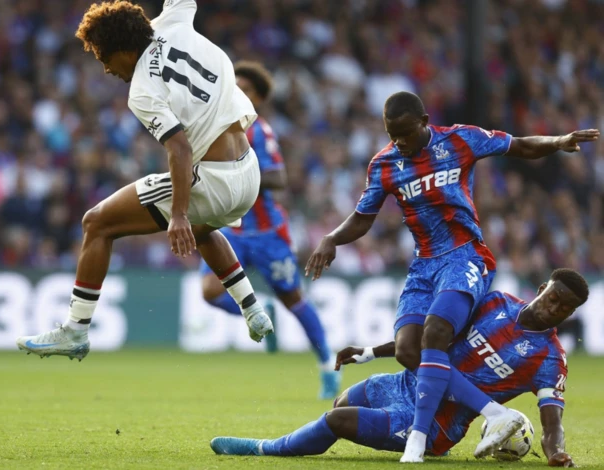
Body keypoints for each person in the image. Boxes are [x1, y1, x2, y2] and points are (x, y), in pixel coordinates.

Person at [305, 91, 599, 461]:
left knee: (437, 333)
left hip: (465, 254)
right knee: (410, 350)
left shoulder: (460, 139)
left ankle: (430, 436)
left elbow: (519, 146)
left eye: (407, 133)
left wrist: (557, 141)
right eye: (393, 135)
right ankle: (492, 413)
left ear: (426, 121)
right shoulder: (384, 164)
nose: (401, 142)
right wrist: (332, 238)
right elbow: (364, 218)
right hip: (424, 263)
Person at [16, 0, 274, 360]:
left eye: (104, 57)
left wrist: (179, 214)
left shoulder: (141, 90)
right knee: (203, 228)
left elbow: (180, 149)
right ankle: (252, 308)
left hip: (213, 180)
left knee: (97, 222)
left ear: (122, 49)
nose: (106, 69)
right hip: (248, 171)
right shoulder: (175, 20)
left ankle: (75, 330)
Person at [210, 268, 586, 468]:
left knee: (335, 422)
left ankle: (262, 449)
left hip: (438, 423)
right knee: (342, 405)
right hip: (403, 384)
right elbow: (431, 339)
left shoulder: (550, 359)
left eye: (563, 308)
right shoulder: (494, 303)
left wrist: (556, 454)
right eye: (552, 297)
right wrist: (371, 352)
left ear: (569, 315)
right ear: (541, 287)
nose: (553, 308)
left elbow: (552, 426)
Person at [199, 61, 340, 399]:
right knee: (209, 293)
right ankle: (260, 310)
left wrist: (239, 172)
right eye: (236, 87)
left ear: (259, 98)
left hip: (267, 233)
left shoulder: (260, 131)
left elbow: (279, 178)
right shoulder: (212, 127)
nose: (239, 94)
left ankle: (328, 366)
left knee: (294, 299)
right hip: (228, 228)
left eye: (247, 89)